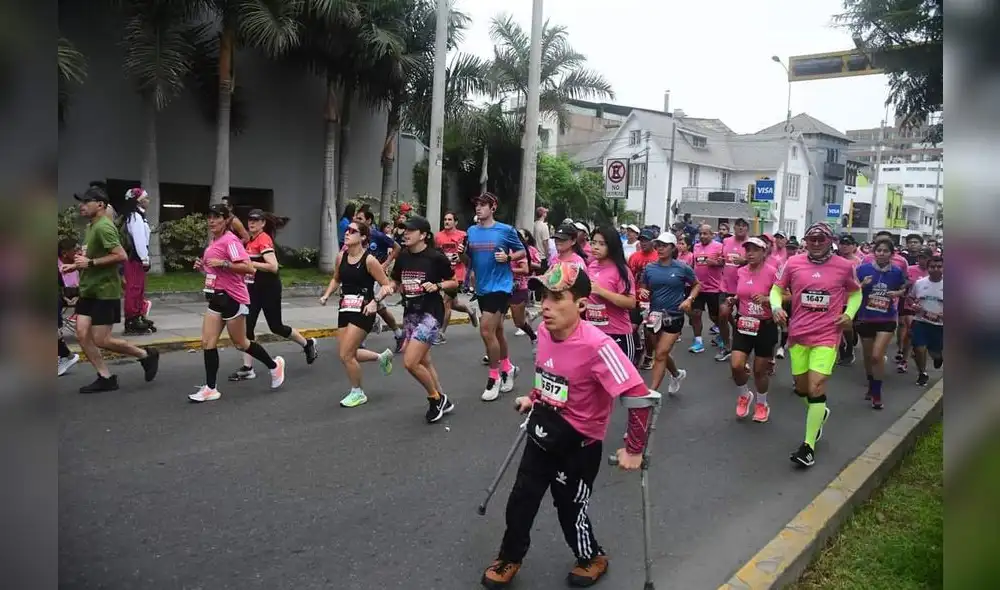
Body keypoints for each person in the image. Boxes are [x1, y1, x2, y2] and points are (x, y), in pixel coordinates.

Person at [480, 261, 655, 589]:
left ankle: (591, 556)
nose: (545, 305)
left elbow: (638, 395)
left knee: (569, 508)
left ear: (581, 304)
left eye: (557, 298)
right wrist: (533, 397)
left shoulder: (598, 346)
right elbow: (550, 374)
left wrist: (634, 448)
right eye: (544, 296)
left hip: (580, 443)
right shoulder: (545, 332)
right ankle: (510, 556)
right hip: (544, 429)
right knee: (521, 499)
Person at [771, 223, 862, 468]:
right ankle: (820, 412)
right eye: (812, 239)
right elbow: (777, 289)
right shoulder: (794, 263)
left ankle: (808, 446)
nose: (817, 242)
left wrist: (849, 313)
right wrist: (776, 307)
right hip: (799, 334)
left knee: (816, 385)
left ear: (830, 240)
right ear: (806, 241)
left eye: (822, 239)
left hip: (827, 335)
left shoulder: (844, 266)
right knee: (802, 389)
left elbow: (856, 293)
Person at [61, 186, 160, 393]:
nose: (82, 206)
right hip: (89, 290)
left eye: (86, 202)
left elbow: (121, 255)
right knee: (81, 334)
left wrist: (90, 263)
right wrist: (77, 264)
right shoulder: (91, 226)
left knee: (101, 340)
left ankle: (145, 355)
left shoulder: (104, 227)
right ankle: (105, 377)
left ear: (100, 205)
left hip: (104, 292)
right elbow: (89, 258)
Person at [190, 204, 286, 402]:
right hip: (216, 296)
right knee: (207, 342)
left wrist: (224, 263)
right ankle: (210, 388)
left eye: (217, 217)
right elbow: (214, 273)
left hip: (233, 298)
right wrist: (202, 268)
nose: (212, 221)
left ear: (226, 220)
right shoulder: (213, 241)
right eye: (209, 217)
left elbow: (248, 268)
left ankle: (274, 366)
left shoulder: (230, 241)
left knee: (241, 343)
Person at [228, 209, 317, 383]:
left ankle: (308, 344)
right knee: (247, 329)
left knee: (276, 326)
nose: (252, 223)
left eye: (256, 220)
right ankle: (248, 368)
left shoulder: (264, 240)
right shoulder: (248, 240)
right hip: (252, 290)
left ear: (263, 223)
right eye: (250, 220)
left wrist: (250, 263)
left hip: (269, 289)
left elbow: (273, 266)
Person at [390, 216, 458, 422]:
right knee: (424, 360)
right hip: (411, 313)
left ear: (424, 235)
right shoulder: (403, 256)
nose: (405, 234)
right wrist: (389, 287)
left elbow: (454, 282)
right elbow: (395, 279)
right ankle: (443, 398)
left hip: (431, 312)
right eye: (404, 230)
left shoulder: (435, 258)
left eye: (410, 230)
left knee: (410, 362)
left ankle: (435, 399)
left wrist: (437, 286)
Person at [319, 220, 394, 407]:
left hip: (364, 310)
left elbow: (387, 286)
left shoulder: (369, 260)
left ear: (362, 237)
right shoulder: (341, 257)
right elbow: (336, 278)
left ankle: (358, 392)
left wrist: (375, 302)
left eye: (352, 231)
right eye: (346, 230)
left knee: (346, 355)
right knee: (347, 352)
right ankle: (381, 357)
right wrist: (327, 295)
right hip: (345, 308)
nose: (347, 233)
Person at [466, 192, 527, 402]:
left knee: (485, 330)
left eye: (483, 205)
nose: (478, 208)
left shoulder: (505, 230)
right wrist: (462, 257)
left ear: (493, 208)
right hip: (482, 287)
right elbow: (470, 258)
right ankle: (508, 368)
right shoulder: (471, 231)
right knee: (497, 330)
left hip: (500, 286)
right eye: (477, 204)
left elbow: (522, 252)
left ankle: (494, 377)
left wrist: (508, 257)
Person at [728, 237, 780, 423]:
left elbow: (787, 295)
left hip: (765, 325)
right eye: (747, 250)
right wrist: (734, 299)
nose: (750, 253)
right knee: (736, 366)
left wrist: (767, 299)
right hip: (744, 323)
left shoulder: (773, 272)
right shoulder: (741, 271)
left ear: (764, 252)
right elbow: (741, 292)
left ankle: (761, 403)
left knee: (759, 371)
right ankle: (744, 395)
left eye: (755, 250)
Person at [855, 237, 909, 409]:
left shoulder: (896, 272)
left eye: (886, 251)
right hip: (866, 317)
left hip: (886, 318)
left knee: (878, 356)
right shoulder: (862, 269)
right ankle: (871, 384)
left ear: (892, 254)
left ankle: (877, 393)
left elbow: (904, 288)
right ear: (874, 252)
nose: (882, 253)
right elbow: (850, 289)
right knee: (869, 357)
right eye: (879, 250)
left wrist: (897, 293)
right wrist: (862, 285)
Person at [641, 232, 697, 395]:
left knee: (660, 353)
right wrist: (643, 292)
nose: (659, 248)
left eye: (664, 246)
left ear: (672, 248)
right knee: (661, 351)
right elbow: (644, 287)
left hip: (674, 315)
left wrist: (689, 299)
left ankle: (651, 392)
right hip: (654, 316)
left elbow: (696, 285)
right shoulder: (650, 268)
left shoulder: (682, 268)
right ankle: (677, 374)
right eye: (658, 245)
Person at [355, 207, 407, 350]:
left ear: (369, 220)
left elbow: (397, 247)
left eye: (359, 218)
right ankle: (398, 333)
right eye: (355, 218)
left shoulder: (378, 235)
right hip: (363, 277)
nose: (356, 221)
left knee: (369, 305)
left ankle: (360, 340)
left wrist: (385, 263)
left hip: (377, 278)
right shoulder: (357, 236)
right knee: (380, 309)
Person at [586, 226, 638, 361]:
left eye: (602, 244)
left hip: (617, 334)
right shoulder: (591, 266)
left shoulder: (621, 271)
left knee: (621, 381)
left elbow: (631, 303)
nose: (596, 247)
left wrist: (601, 291)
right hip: (594, 333)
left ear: (612, 245)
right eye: (593, 242)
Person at [434, 210, 480, 345]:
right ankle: (470, 310)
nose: (447, 222)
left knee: (446, 303)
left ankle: (441, 333)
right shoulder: (438, 236)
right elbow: (437, 253)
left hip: (457, 273)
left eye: (449, 220)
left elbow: (469, 253)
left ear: (455, 222)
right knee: (454, 303)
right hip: (442, 273)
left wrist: (460, 257)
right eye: (445, 219)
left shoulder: (462, 235)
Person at [119, 187, 154, 334]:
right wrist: (145, 258)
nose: (148, 200)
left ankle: (138, 315)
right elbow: (139, 240)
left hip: (137, 258)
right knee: (133, 288)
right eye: (145, 198)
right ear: (138, 200)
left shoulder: (138, 216)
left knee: (139, 288)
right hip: (135, 258)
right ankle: (132, 319)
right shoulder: (135, 217)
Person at [689, 224, 725, 353]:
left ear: (712, 234)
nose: (703, 236)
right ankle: (698, 341)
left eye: (706, 233)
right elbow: (694, 264)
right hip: (698, 287)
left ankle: (723, 335)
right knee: (696, 314)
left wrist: (715, 263)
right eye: (701, 233)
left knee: (714, 317)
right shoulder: (696, 246)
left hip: (714, 288)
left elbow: (724, 262)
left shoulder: (719, 247)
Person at [718, 218, 750, 363]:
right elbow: (722, 259)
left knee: (743, 320)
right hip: (726, 285)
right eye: (738, 226)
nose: (740, 228)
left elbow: (758, 261)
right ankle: (726, 346)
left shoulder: (750, 244)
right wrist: (719, 261)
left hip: (743, 287)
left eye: (743, 226)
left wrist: (745, 261)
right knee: (723, 314)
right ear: (734, 228)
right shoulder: (726, 242)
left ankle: (742, 350)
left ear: (747, 229)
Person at [909, 255, 944, 386]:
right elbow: (911, 298)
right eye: (932, 267)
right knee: (919, 348)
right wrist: (914, 306)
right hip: (921, 322)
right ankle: (922, 373)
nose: (936, 269)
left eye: (939, 267)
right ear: (927, 268)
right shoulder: (919, 283)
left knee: (934, 352)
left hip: (939, 325)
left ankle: (938, 357)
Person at [628, 228, 659, 370]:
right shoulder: (634, 257)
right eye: (641, 240)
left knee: (648, 330)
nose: (643, 243)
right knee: (631, 327)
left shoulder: (658, 257)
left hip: (653, 300)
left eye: (646, 240)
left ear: (653, 242)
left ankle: (649, 355)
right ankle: (638, 349)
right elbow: (629, 276)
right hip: (636, 298)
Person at [898, 246, 932, 373]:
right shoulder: (910, 269)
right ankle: (904, 360)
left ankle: (918, 352)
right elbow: (903, 284)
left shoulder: (934, 272)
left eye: (925, 258)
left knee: (922, 336)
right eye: (920, 257)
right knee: (910, 332)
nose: (922, 260)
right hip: (910, 305)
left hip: (928, 309)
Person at [510, 228, 542, 346]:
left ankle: (533, 336)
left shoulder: (524, 251)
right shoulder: (507, 249)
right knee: (496, 321)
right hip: (504, 287)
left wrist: (509, 269)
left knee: (518, 322)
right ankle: (492, 352)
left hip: (520, 286)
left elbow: (527, 269)